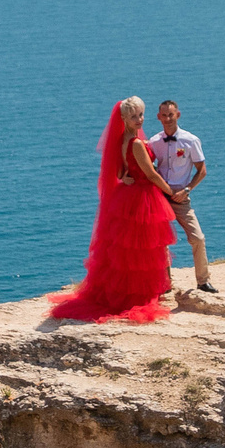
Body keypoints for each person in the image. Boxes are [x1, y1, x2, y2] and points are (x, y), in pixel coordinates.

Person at [48, 96, 177, 323]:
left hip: (127, 197)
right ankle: (145, 292)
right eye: (134, 116)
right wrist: (170, 191)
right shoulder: (137, 143)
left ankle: (135, 290)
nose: (139, 120)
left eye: (141, 114)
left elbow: (117, 173)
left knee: (128, 251)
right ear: (124, 118)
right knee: (145, 248)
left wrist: (126, 177)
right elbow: (150, 174)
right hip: (143, 197)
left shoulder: (122, 140)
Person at [148, 100, 216, 293]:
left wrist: (187, 190)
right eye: (164, 115)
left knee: (198, 238)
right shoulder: (153, 142)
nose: (168, 119)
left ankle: (203, 281)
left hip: (181, 197)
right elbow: (146, 166)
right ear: (158, 117)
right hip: (159, 197)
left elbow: (202, 170)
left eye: (171, 114)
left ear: (178, 115)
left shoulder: (191, 140)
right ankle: (165, 284)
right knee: (160, 242)